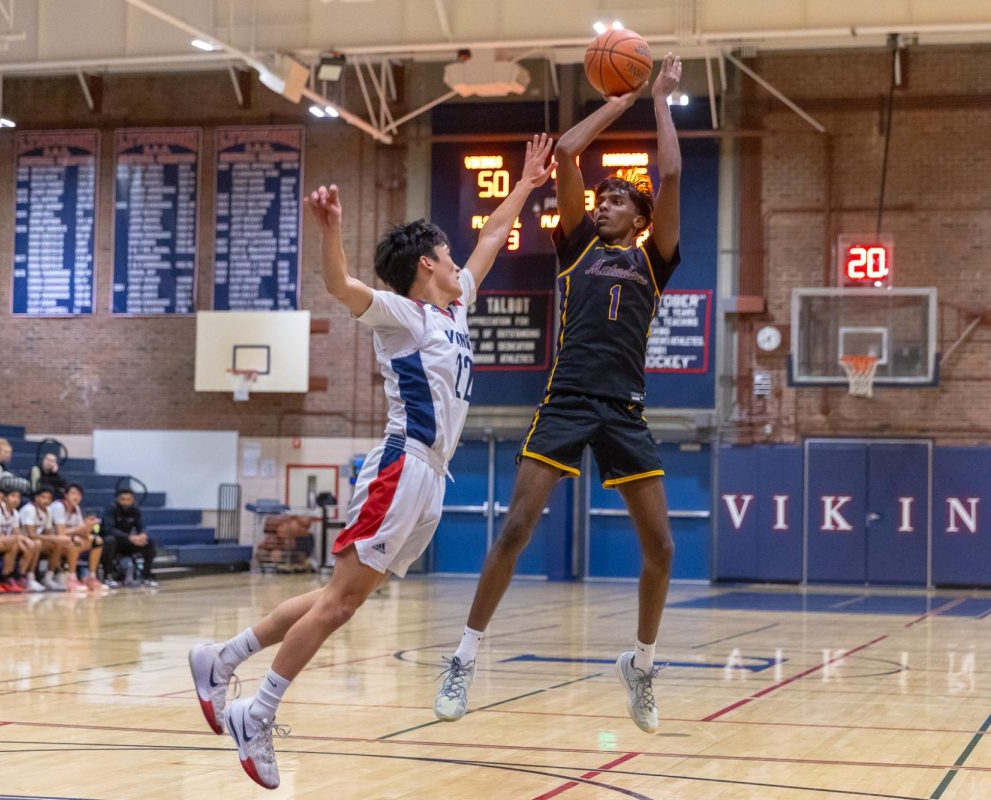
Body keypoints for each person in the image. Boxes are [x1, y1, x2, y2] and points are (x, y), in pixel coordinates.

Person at [188, 134, 555, 790]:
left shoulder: (454, 305)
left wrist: (527, 182)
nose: (458, 261)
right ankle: (257, 709)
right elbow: (341, 284)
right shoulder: (404, 315)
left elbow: (495, 234)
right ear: (426, 267)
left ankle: (223, 659)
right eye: (447, 255)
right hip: (402, 465)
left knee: (344, 596)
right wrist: (330, 230)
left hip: (432, 476)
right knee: (340, 603)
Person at [433, 56, 684, 735]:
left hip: (625, 410)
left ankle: (642, 664)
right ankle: (463, 656)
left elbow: (675, 175)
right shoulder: (575, 249)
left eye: (617, 200)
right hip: (566, 400)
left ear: (639, 216)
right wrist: (619, 98)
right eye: (600, 199)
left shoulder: (652, 262)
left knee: (660, 547)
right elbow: (569, 152)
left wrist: (659, 100)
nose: (603, 205)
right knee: (515, 527)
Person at [50, 483, 105, 593]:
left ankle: (91, 577)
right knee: (75, 541)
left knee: (97, 541)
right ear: (66, 495)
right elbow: (60, 533)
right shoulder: (58, 506)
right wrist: (80, 528)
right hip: (53, 540)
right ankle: (72, 578)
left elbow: (81, 533)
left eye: (79, 495)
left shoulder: (77, 509)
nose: (76, 497)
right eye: (73, 493)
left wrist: (88, 527)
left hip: (69, 540)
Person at [20, 485, 73, 591]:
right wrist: (55, 538)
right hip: (23, 539)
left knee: (58, 544)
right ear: (36, 498)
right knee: (39, 543)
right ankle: (30, 578)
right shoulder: (29, 509)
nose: (46, 500)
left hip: (36, 540)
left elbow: (48, 533)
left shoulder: (48, 511)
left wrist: (56, 540)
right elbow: (31, 534)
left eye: (49, 498)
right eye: (43, 497)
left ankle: (49, 577)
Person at [103, 488, 157, 588]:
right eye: (123, 499)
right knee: (110, 540)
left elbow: (142, 526)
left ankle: (146, 576)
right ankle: (108, 577)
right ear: (117, 499)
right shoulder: (110, 509)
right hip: (114, 543)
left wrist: (143, 534)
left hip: (127, 543)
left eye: (129, 499)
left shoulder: (135, 510)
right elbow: (109, 529)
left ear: (133, 500)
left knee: (149, 542)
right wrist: (129, 537)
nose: (126, 502)